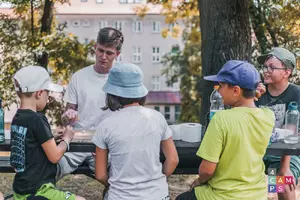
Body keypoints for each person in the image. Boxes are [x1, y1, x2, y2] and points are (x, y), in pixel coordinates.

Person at [175, 60, 275, 200]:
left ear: (235, 90)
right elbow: (250, 109)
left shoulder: (221, 119)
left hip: (223, 196)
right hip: (257, 194)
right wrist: (252, 97)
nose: (218, 91)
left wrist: (197, 182)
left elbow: (207, 171)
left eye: (221, 86)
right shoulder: (268, 116)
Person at [92, 63, 179, 200]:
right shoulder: (158, 118)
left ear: (111, 94)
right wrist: (157, 180)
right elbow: (173, 159)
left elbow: (100, 175)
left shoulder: (105, 126)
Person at [57, 27, 124, 179]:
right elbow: (66, 118)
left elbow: (128, 120)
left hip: (109, 145)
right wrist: (68, 116)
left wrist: (108, 144)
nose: (103, 57)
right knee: (48, 170)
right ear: (95, 47)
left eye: (109, 53)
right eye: (100, 50)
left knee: (116, 184)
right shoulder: (79, 77)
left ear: (117, 54)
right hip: (78, 143)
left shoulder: (121, 79)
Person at [10, 66, 85, 200]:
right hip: (39, 190)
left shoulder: (18, 117)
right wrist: (66, 139)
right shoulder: (38, 119)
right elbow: (55, 156)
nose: (48, 96)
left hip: (21, 190)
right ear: (39, 93)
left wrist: (52, 136)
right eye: (47, 93)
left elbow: (31, 141)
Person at [255, 47, 299, 200]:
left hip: (284, 156)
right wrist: (250, 98)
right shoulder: (257, 92)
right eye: (265, 67)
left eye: (271, 67)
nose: (265, 71)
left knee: (282, 186)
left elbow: (292, 135)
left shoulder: (296, 95)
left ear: (287, 72)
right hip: (256, 154)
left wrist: (284, 168)